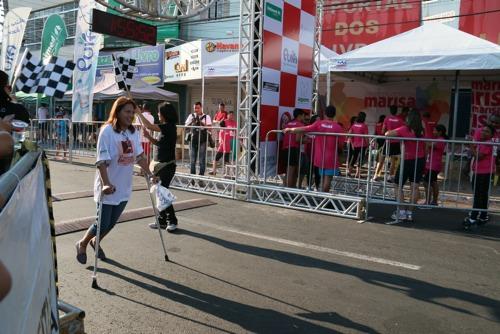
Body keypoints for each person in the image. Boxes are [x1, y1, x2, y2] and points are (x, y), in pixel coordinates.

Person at [75, 97, 155, 264]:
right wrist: (106, 183)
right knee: (102, 223)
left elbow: (139, 156)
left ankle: (95, 242)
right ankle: (82, 243)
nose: (131, 115)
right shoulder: (107, 131)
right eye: (127, 111)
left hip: (124, 186)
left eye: (133, 112)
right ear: (117, 111)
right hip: (108, 186)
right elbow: (101, 160)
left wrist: (149, 173)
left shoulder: (133, 132)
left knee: (111, 224)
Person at [136, 102, 179, 232]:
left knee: (162, 192)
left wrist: (138, 112)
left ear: (165, 114)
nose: (158, 114)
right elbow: (159, 143)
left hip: (167, 166)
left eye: (159, 112)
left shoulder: (169, 126)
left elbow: (149, 125)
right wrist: (149, 137)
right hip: (161, 165)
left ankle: (172, 220)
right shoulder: (166, 128)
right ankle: (161, 220)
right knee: (160, 193)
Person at [283, 106, 345, 193]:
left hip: (319, 157)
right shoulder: (338, 127)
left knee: (322, 177)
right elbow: (341, 144)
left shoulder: (319, 123)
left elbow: (305, 129)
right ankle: (324, 197)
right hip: (332, 157)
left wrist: (291, 129)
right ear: (334, 115)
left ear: (325, 114)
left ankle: (322, 196)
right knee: (327, 178)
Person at [386, 109, 426, 222]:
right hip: (420, 159)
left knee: (397, 185)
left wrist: (397, 133)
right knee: (415, 187)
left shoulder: (404, 129)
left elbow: (387, 134)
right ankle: (409, 213)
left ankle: (402, 211)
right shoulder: (422, 131)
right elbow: (426, 146)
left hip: (407, 159)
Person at [463, 124, 496, 229]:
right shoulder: (482, 143)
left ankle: (473, 218)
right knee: (482, 195)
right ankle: (483, 215)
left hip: (483, 173)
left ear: (491, 135)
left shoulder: (487, 143)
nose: (483, 133)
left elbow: (479, 157)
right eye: (483, 131)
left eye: (486, 131)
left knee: (478, 195)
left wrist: (471, 146)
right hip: (481, 172)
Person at [374, 105, 405, 180]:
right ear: (396, 111)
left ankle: (376, 175)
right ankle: (390, 177)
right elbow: (401, 132)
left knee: (382, 159)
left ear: (390, 111)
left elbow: (383, 131)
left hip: (388, 141)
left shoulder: (387, 119)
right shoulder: (400, 120)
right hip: (396, 142)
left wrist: (387, 132)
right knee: (393, 160)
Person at [423, 124, 448, 206]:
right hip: (433, 164)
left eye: (435, 130)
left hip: (433, 165)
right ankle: (434, 201)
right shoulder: (438, 139)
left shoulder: (441, 140)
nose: (433, 132)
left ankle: (428, 201)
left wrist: (426, 139)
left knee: (427, 182)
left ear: (440, 132)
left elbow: (430, 145)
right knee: (433, 182)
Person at [185, 102, 212, 176]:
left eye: (198, 108)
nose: (196, 109)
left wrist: (201, 123)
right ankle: (192, 178)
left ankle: (201, 177)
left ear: (201, 108)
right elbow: (186, 127)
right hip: (193, 140)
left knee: (201, 160)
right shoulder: (191, 116)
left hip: (203, 140)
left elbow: (210, 128)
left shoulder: (207, 117)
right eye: (195, 108)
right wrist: (191, 122)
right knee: (192, 160)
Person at [281, 108, 306, 188]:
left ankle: (288, 189)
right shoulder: (300, 125)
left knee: (288, 171)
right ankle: (289, 191)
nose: (304, 117)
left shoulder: (289, 124)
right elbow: (298, 139)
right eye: (303, 115)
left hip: (285, 148)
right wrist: (307, 140)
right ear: (300, 115)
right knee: (291, 171)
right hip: (293, 148)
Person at [209, 111, 235, 176]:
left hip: (228, 143)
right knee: (216, 157)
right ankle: (214, 171)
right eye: (230, 115)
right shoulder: (224, 122)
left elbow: (235, 132)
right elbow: (218, 126)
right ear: (228, 115)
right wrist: (219, 141)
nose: (231, 116)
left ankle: (227, 173)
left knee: (226, 159)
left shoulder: (234, 123)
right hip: (222, 143)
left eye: (232, 115)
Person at [347, 111, 369, 178]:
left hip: (355, 145)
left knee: (354, 158)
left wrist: (352, 143)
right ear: (364, 118)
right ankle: (357, 174)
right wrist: (368, 144)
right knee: (361, 159)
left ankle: (349, 171)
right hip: (362, 145)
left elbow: (349, 134)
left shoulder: (354, 125)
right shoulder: (364, 126)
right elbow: (366, 137)